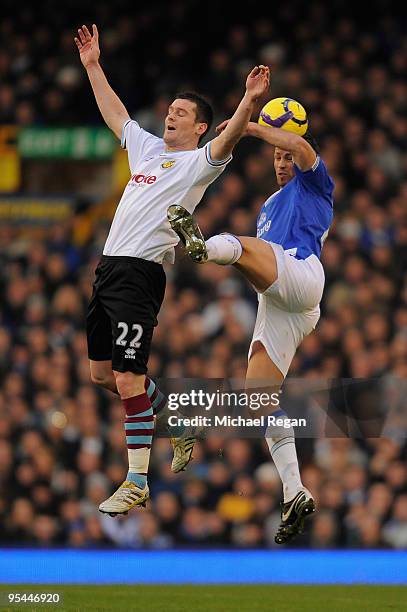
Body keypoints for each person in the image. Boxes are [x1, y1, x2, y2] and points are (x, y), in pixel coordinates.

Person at [74, 24, 269, 516]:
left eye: (181, 113)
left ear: (200, 126)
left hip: (141, 276)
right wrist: (94, 66)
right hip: (108, 271)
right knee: (101, 374)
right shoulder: (147, 151)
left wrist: (247, 100)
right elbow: (116, 114)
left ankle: (137, 479)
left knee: (126, 381)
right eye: (169, 111)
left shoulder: (198, 163)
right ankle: (178, 423)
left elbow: (228, 141)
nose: (170, 117)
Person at [168, 111, 334, 544]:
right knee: (258, 400)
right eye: (276, 158)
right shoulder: (268, 206)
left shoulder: (315, 183)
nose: (281, 163)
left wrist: (253, 129)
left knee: (242, 247)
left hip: (301, 276)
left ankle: (202, 247)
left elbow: (303, 150)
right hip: (282, 304)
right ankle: (294, 490)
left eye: (285, 155)